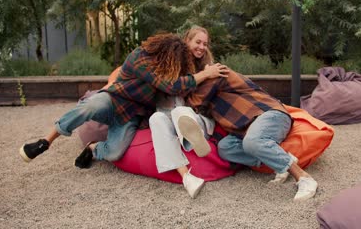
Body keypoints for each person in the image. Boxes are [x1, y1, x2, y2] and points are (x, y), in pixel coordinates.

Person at [19, 33, 228, 169]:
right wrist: (203, 75)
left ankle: (93, 148)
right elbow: (170, 85)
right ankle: (45, 141)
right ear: (163, 54)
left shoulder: (167, 69)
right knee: (91, 106)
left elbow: (178, 83)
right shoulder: (140, 57)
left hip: (131, 115)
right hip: (113, 100)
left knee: (115, 152)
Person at [186, 69, 318, 201]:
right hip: (246, 130)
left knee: (252, 141)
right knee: (225, 148)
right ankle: (283, 159)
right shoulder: (204, 94)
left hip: (270, 115)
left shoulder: (218, 73)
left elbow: (192, 100)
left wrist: (185, 88)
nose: (201, 47)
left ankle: (304, 178)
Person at [149, 26, 228, 198]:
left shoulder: (209, 66)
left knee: (181, 112)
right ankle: (187, 178)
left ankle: (194, 138)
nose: (201, 47)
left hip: (199, 118)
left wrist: (207, 74)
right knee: (155, 119)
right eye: (197, 42)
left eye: (205, 44)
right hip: (171, 117)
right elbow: (172, 86)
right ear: (187, 41)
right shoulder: (173, 63)